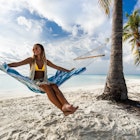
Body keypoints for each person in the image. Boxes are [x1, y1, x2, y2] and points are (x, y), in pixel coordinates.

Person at [8, 43, 78, 116]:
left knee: (54, 86)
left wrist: (69, 71)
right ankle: (62, 109)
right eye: (33, 49)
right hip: (35, 82)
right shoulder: (31, 60)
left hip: (44, 80)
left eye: (36, 48)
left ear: (42, 50)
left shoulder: (45, 61)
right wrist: (5, 66)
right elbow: (17, 64)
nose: (34, 50)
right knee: (48, 87)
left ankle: (66, 105)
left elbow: (57, 67)